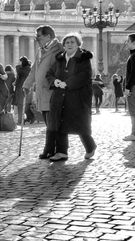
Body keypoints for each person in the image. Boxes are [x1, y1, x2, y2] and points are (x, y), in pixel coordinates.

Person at [45, 32, 96, 161]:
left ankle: (90, 146)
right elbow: (50, 73)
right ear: (64, 45)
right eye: (67, 42)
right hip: (59, 96)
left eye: (73, 42)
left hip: (78, 97)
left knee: (80, 124)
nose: (69, 44)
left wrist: (67, 84)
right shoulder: (60, 58)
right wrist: (55, 82)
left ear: (78, 44)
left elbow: (84, 75)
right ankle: (62, 151)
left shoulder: (84, 58)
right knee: (60, 123)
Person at [23, 25, 63, 126]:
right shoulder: (40, 51)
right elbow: (34, 70)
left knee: (55, 127)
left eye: (39, 37)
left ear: (48, 36)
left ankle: (54, 142)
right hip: (43, 93)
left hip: (53, 93)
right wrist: (26, 85)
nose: (37, 40)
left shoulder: (59, 49)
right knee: (49, 125)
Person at [14, 57, 32, 124]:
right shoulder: (28, 68)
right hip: (23, 88)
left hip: (21, 88)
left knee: (21, 105)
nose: (19, 63)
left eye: (20, 61)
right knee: (22, 105)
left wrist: (19, 64)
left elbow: (17, 68)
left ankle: (20, 121)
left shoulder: (23, 69)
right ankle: (22, 120)